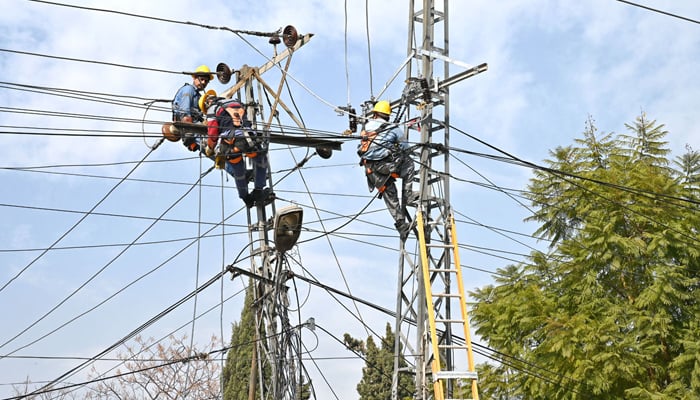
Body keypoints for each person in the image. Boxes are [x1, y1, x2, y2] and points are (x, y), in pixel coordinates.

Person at [357, 100, 416, 239]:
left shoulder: (365, 128)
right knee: (409, 164)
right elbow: (405, 147)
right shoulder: (393, 128)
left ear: (375, 113)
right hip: (386, 165)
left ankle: (401, 225)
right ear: (388, 116)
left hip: (370, 169)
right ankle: (408, 195)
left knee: (389, 193)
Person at [203, 96, 271, 208]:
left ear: (208, 103)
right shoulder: (236, 102)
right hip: (247, 140)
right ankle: (258, 190)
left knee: (239, 172)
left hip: (228, 144)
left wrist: (210, 148)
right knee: (261, 160)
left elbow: (213, 134)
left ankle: (245, 198)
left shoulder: (213, 108)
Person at [172, 64, 214, 152]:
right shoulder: (189, 89)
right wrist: (188, 133)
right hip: (192, 130)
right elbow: (184, 111)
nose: (203, 83)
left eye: (206, 81)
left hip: (198, 130)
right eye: (201, 79)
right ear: (194, 78)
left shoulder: (199, 97)